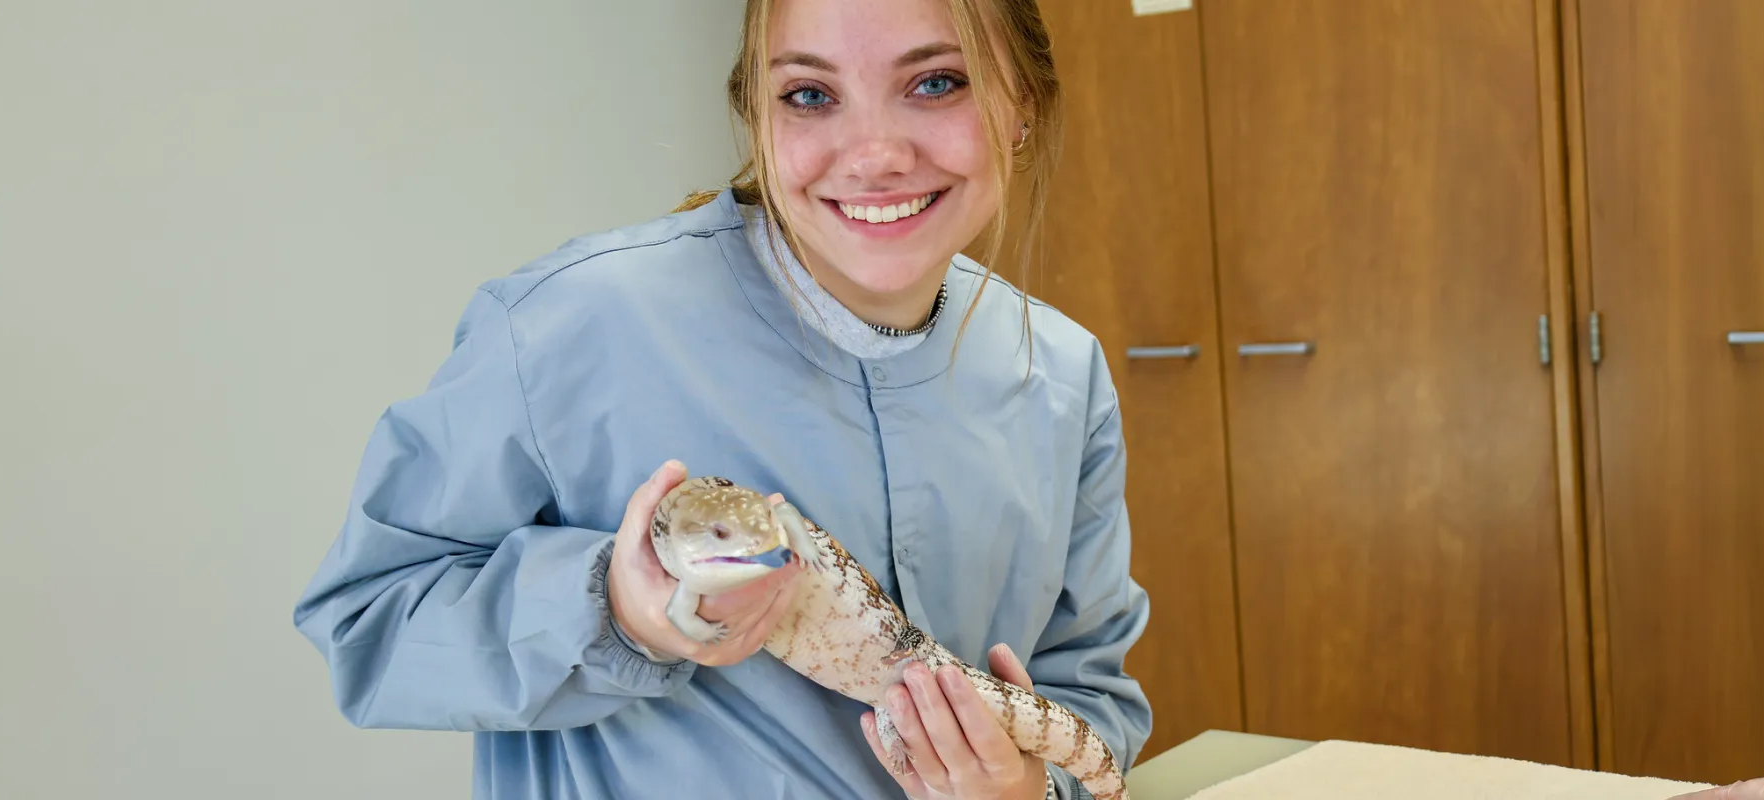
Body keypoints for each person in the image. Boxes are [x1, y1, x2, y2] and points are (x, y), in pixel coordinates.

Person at [290, 0, 1152, 797]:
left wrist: (1031, 790)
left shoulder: (1060, 373)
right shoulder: (571, 326)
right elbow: (368, 625)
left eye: (937, 83)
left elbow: (1088, 690)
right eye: (810, 95)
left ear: (1022, 106)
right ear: (756, 113)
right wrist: (617, 612)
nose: (876, 152)